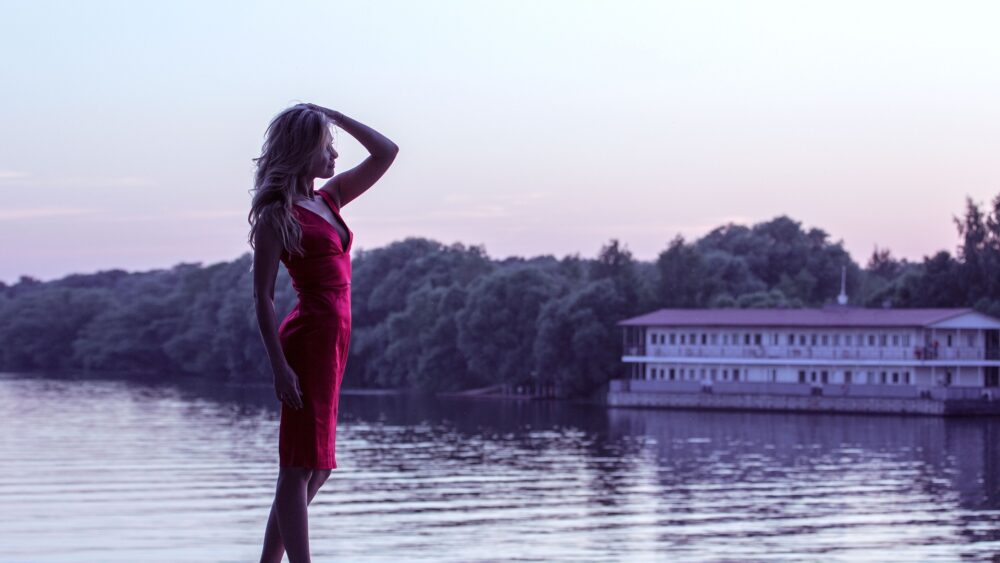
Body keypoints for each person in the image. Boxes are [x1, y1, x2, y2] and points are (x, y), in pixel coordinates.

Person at [248, 103, 398, 563]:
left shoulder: (329, 199)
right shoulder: (278, 215)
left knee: (319, 465)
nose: (334, 156)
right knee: (298, 463)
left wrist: (335, 115)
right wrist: (278, 367)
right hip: (308, 339)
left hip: (335, 340)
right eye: (326, 147)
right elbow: (263, 297)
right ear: (302, 152)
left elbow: (386, 152)